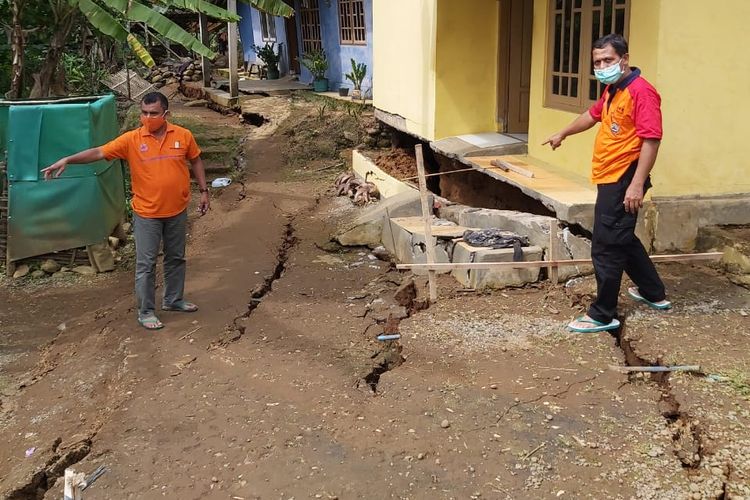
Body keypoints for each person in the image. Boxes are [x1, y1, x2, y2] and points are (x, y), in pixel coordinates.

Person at [43, 92, 210, 331]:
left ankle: (173, 300)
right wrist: (68, 160)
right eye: (144, 113)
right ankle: (146, 311)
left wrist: (204, 191)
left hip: (177, 210)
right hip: (147, 213)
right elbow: (99, 152)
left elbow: (196, 161)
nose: (147, 118)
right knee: (146, 264)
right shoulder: (131, 140)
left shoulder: (183, 136)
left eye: (153, 113)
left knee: (176, 258)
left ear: (166, 114)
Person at [543, 34, 671, 334]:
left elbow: (651, 139)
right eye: (597, 62)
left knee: (607, 245)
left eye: (608, 61)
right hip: (609, 176)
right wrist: (563, 133)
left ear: (624, 60)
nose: (601, 66)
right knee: (622, 237)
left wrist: (636, 184)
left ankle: (603, 314)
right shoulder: (614, 90)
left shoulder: (642, 92)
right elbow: (591, 115)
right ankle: (654, 292)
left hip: (624, 177)